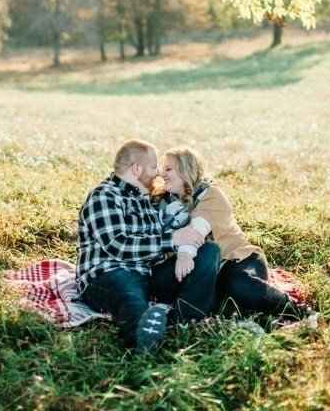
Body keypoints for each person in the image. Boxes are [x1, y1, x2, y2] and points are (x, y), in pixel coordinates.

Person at [76, 139, 221, 352]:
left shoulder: (146, 200)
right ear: (136, 169)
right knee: (132, 299)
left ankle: (183, 320)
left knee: (209, 252)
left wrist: (183, 246)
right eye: (154, 167)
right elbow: (119, 245)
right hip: (108, 274)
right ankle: (143, 346)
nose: (158, 174)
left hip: (147, 275)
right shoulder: (105, 195)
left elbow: (158, 244)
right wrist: (172, 239)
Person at [161, 147, 312, 326]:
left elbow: (196, 231)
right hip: (209, 271)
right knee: (218, 302)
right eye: (163, 169)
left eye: (168, 169)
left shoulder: (211, 195)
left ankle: (297, 311)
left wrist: (185, 254)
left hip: (238, 260)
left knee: (238, 286)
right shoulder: (167, 203)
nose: (163, 174)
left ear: (186, 171)